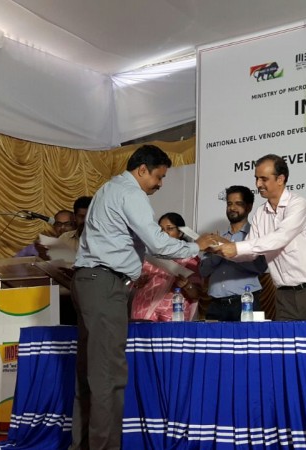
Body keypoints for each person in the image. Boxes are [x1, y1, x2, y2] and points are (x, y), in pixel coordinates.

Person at [70, 144, 214, 450]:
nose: (159, 184)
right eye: (158, 177)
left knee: (90, 374)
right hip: (104, 285)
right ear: (142, 170)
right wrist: (196, 245)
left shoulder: (108, 189)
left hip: (88, 282)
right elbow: (157, 243)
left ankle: (81, 445)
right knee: (109, 376)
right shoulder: (131, 193)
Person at [213, 154, 306, 321]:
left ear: (280, 179)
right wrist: (220, 250)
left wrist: (236, 247)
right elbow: (250, 252)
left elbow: (280, 238)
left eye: (264, 179)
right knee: (285, 338)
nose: (258, 184)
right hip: (284, 294)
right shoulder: (260, 213)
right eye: (256, 178)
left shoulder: (298, 204)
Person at [200, 185, 267, 321]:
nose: (232, 208)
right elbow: (203, 271)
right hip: (215, 304)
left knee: (247, 336)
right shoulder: (217, 237)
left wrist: (226, 246)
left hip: (245, 303)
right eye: (229, 204)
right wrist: (217, 252)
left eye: (238, 204)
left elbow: (259, 266)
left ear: (249, 207)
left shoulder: (255, 236)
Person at [131, 212, 205, 321]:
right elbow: (135, 282)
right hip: (143, 311)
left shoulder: (190, 259)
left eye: (169, 228)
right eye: (161, 229)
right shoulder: (148, 254)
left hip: (173, 316)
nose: (164, 233)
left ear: (180, 233)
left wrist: (186, 285)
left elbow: (197, 294)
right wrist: (138, 282)